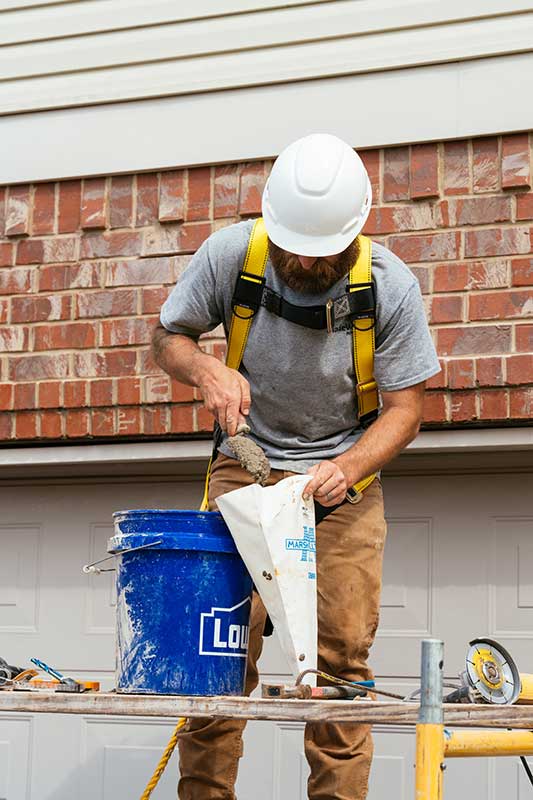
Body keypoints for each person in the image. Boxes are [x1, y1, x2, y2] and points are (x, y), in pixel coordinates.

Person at [152, 133, 441, 800]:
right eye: (294, 252)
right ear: (270, 223)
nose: (306, 266)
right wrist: (206, 369)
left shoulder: (390, 287)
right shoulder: (233, 254)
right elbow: (167, 338)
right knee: (217, 658)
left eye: (324, 256)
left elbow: (405, 409)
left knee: (339, 668)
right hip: (242, 469)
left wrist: (350, 466)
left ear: (353, 233)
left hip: (343, 484)